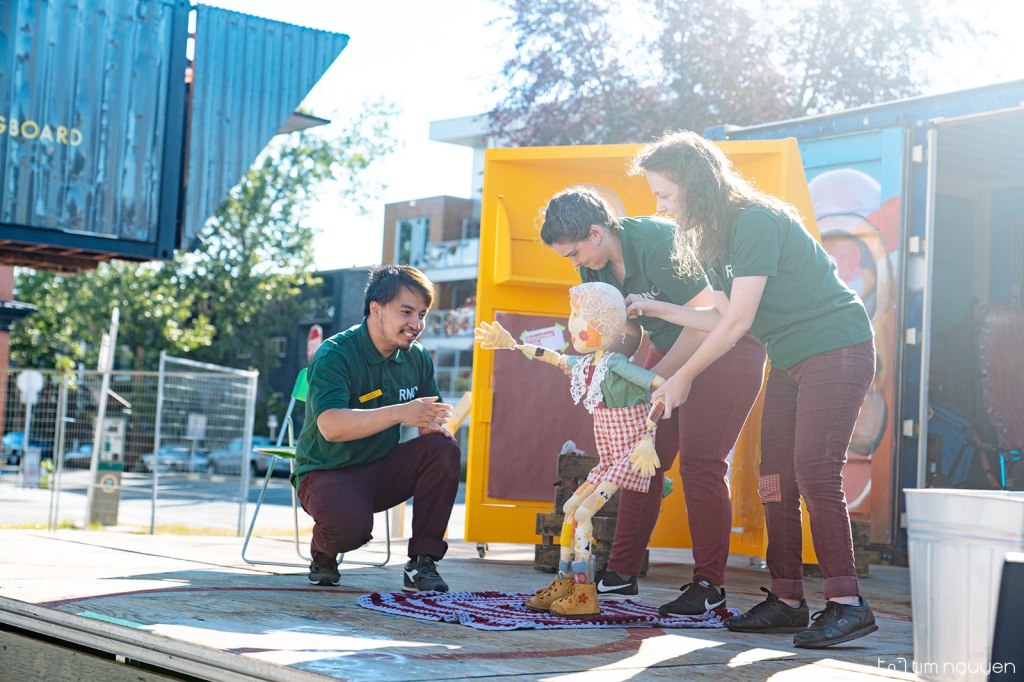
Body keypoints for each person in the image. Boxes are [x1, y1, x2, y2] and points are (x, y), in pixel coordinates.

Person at [630, 130, 878, 648]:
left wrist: (681, 376)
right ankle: (787, 600)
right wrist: (656, 308)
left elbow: (739, 322)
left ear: (696, 184)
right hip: (789, 358)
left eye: (666, 194)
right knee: (773, 478)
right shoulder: (711, 237)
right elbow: (720, 313)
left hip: (836, 346)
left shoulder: (755, 220)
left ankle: (847, 602)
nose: (661, 207)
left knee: (814, 470)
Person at [540, 187, 766, 616]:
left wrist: (659, 380)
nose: (575, 264)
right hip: (670, 351)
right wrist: (605, 367)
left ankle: (709, 584)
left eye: (574, 253)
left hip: (728, 349)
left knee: (701, 464)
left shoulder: (659, 240)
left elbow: (707, 322)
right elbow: (626, 331)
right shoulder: (593, 267)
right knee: (641, 457)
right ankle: (621, 573)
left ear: (595, 233)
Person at [475, 282, 664, 617]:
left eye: (580, 315)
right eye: (574, 314)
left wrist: (648, 437)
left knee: (584, 513)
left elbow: (661, 388)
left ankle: (585, 590)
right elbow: (554, 357)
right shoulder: (589, 365)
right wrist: (512, 344)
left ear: (606, 325)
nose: (573, 323)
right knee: (571, 508)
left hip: (629, 456)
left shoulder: (617, 365)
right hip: (608, 459)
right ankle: (565, 581)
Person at [291, 264, 461, 593]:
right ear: (376, 309)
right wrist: (400, 413)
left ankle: (422, 562)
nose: (416, 325)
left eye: (422, 315)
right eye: (406, 312)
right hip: (327, 470)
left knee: (443, 449)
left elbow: (430, 417)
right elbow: (330, 427)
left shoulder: (417, 357)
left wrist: (433, 428)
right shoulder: (334, 354)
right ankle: (323, 550)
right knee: (348, 530)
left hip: (381, 468)